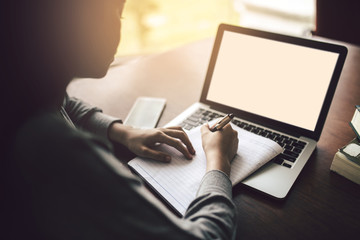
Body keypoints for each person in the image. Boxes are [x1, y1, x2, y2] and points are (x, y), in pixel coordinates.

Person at [1, 0, 239, 239]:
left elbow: (64, 103)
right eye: (117, 14)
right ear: (75, 24)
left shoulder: (21, 91)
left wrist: (124, 132)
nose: (120, 30)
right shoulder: (57, 150)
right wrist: (219, 161)